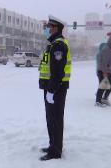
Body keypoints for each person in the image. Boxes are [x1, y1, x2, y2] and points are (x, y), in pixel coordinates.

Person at [38, 15, 71, 161]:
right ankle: (53, 145)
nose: (47, 29)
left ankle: (55, 151)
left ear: (56, 28)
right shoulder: (54, 43)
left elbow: (58, 71)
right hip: (52, 88)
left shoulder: (58, 45)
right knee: (51, 119)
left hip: (56, 89)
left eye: (49, 27)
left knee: (55, 119)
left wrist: (51, 91)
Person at [96, 34, 111, 107]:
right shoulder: (106, 49)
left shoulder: (109, 48)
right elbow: (103, 62)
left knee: (110, 84)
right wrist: (104, 72)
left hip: (106, 70)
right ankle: (98, 101)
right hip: (103, 71)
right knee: (103, 85)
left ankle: (104, 99)